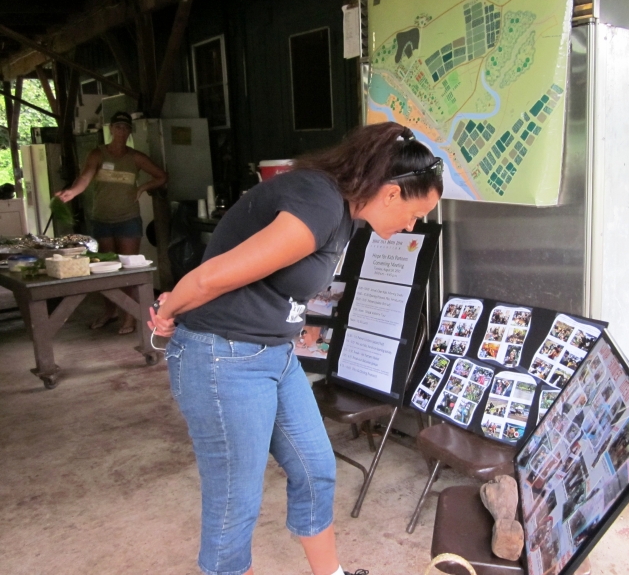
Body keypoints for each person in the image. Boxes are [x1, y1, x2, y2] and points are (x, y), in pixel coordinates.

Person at [147, 122, 442, 575]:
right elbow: (211, 277)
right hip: (223, 357)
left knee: (315, 468)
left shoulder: (344, 213)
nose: (412, 225)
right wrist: (168, 312)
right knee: (235, 500)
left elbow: (276, 277)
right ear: (390, 194)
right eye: (416, 213)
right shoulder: (319, 201)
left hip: (273, 354)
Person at [56, 111, 168, 334]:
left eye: (125, 128)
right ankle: (110, 312)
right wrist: (72, 192)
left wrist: (142, 188)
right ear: (111, 129)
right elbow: (85, 177)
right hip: (101, 219)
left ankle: (129, 318)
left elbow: (161, 176)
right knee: (105, 272)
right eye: (117, 127)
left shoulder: (135, 157)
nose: (121, 131)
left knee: (128, 270)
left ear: (129, 131)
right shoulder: (98, 153)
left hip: (128, 220)